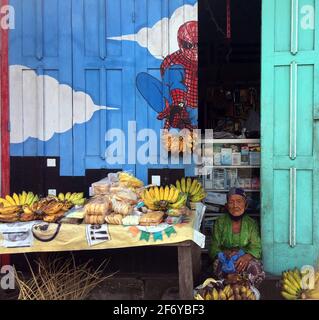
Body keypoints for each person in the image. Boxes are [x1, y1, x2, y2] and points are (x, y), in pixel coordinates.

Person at [210, 188, 265, 287]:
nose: (235, 206)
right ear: (227, 206)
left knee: (256, 269)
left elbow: (256, 248)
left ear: (246, 204)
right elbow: (213, 248)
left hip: (244, 261)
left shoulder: (251, 224)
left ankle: (246, 290)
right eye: (231, 202)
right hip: (226, 260)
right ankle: (228, 288)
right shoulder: (220, 222)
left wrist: (246, 257)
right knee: (217, 265)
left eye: (239, 201)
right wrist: (225, 253)